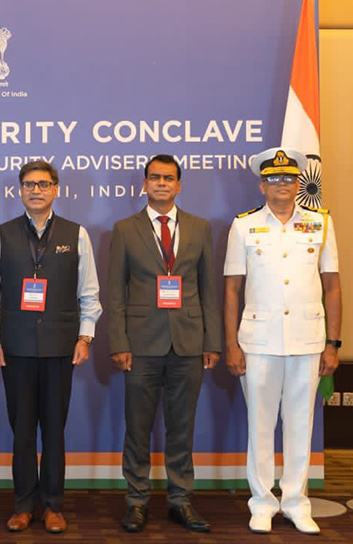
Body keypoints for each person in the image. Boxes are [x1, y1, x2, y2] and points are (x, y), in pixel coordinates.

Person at [0, 160, 102, 534]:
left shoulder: (76, 234)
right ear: (20, 190)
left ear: (56, 190)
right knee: (22, 432)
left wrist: (85, 336)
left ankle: (53, 506)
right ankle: (22, 505)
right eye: (29, 184)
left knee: (54, 430)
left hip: (61, 348)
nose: (36, 190)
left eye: (43, 184)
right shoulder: (1, 235)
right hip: (14, 349)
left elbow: (90, 292)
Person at [223, 147, 341, 535]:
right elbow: (232, 289)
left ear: (298, 184)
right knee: (259, 425)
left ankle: (295, 502)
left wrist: (333, 343)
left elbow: (333, 285)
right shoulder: (244, 226)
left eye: (288, 178)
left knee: (300, 423)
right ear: (262, 185)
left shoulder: (321, 222)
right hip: (257, 341)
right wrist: (232, 344)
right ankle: (261, 503)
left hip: (308, 340)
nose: (282, 185)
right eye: (273, 179)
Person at [106, 154, 220, 533]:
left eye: (168, 178)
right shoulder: (125, 229)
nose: (161, 183)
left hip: (188, 343)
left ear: (179, 185)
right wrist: (119, 342)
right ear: (144, 183)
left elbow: (208, 289)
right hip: (140, 345)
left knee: (181, 427)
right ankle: (136, 501)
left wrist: (212, 342)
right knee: (137, 428)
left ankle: (180, 499)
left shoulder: (200, 228)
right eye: (154, 177)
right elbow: (116, 291)